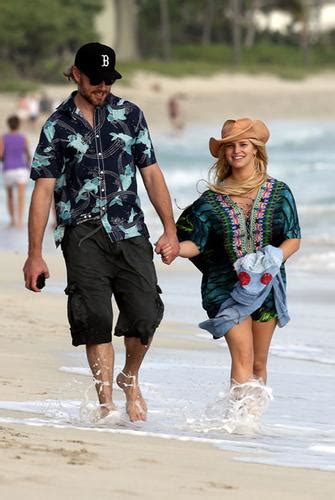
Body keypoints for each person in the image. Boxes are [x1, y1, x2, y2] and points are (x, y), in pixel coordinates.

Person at [23, 42, 179, 423]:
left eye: (109, 80)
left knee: (145, 314)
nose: (103, 87)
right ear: (76, 74)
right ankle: (107, 403)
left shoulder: (130, 115)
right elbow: (43, 190)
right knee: (93, 317)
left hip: (129, 231)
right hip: (81, 235)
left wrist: (170, 229)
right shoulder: (57, 126)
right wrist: (34, 254)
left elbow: (152, 173)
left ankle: (131, 377)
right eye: (96, 79)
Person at [160, 117, 301, 427]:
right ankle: (238, 424)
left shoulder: (279, 192)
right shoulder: (211, 201)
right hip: (224, 287)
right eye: (230, 147)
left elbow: (293, 237)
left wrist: (275, 256)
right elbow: (194, 243)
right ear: (223, 154)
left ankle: (251, 420)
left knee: (259, 362)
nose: (236, 151)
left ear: (256, 151)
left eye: (243, 145)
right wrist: (173, 248)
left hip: (267, 285)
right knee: (243, 356)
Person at [0, 115, 31, 228]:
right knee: (21, 196)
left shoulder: (3, 138)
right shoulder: (23, 138)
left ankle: (12, 220)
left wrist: (5, 159)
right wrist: (28, 166)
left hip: (8, 169)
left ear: (9, 125)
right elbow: (27, 154)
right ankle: (20, 221)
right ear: (18, 125)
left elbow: (1, 154)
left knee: (10, 196)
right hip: (21, 169)